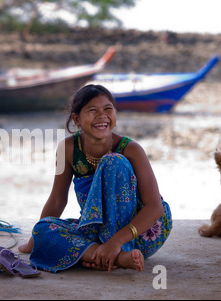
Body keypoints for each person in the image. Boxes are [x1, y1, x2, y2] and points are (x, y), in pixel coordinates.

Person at [18, 84, 172, 273]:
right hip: (96, 231)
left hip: (140, 231)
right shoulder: (66, 149)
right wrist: (35, 240)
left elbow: (155, 207)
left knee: (112, 162)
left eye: (108, 109)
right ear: (76, 119)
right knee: (43, 229)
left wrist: (116, 241)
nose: (102, 116)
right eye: (93, 110)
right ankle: (116, 258)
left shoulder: (132, 149)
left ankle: (111, 250)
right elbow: (58, 200)